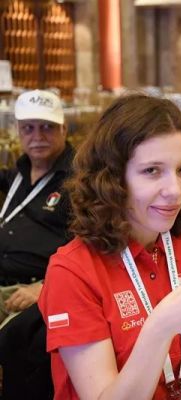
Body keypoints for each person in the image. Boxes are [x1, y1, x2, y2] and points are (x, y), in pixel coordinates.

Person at [38, 94, 181, 399]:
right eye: (152, 170)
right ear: (112, 179)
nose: (175, 190)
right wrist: (160, 327)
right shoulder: (72, 272)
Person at [0, 89, 73, 326]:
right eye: (28, 128)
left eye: (47, 127)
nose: (37, 136)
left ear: (64, 129)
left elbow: (95, 246)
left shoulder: (79, 180)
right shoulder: (18, 173)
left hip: (37, 290)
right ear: (18, 131)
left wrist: (45, 285)